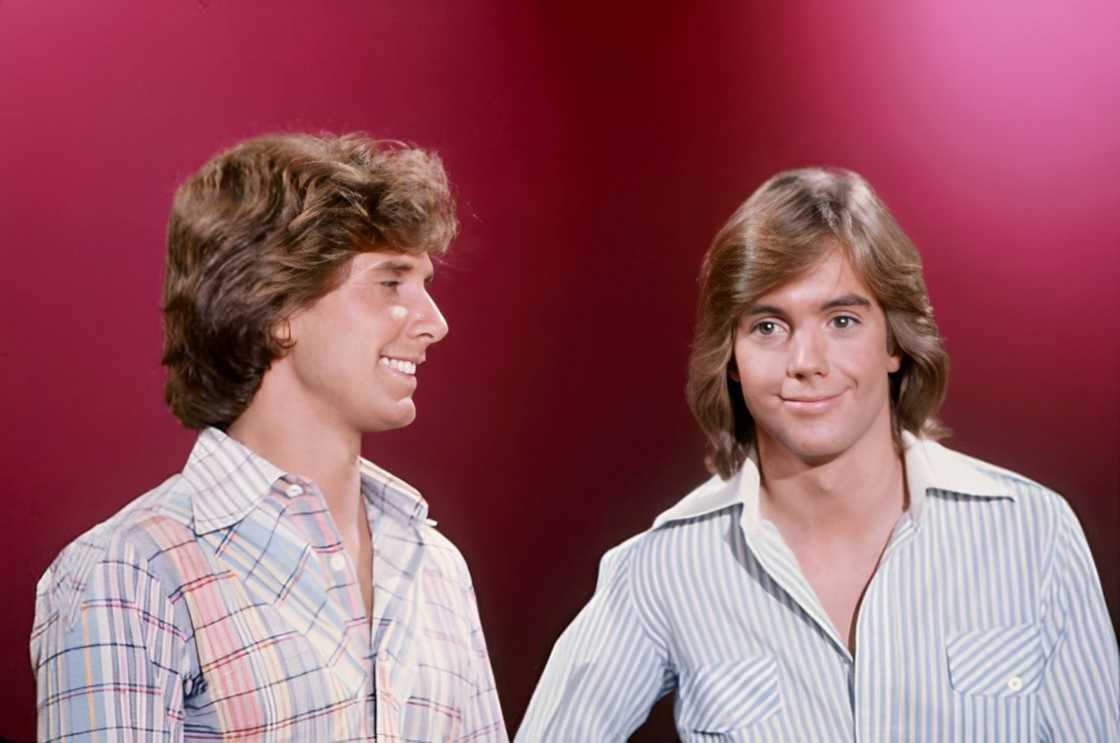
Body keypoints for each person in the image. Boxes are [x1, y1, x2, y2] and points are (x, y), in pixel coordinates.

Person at [517, 167, 1119, 741]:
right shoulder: (664, 568)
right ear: (731, 358)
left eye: (842, 320)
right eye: (768, 327)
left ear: (895, 343)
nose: (806, 362)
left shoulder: (1031, 533)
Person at [31, 133, 508, 742]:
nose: (434, 323)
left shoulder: (435, 566)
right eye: (391, 283)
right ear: (277, 309)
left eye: (425, 283)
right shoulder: (130, 575)